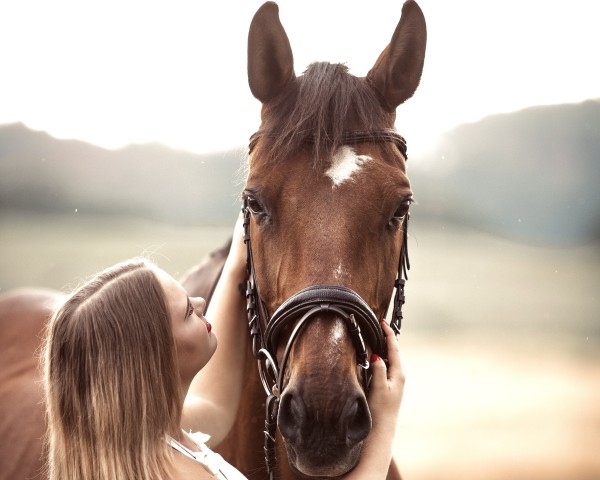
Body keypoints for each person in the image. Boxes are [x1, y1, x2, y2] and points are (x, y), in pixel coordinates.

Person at [42, 217, 405, 480]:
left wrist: (238, 261)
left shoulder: (143, 439)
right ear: (155, 360)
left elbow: (215, 405)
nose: (201, 301)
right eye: (186, 310)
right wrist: (385, 420)